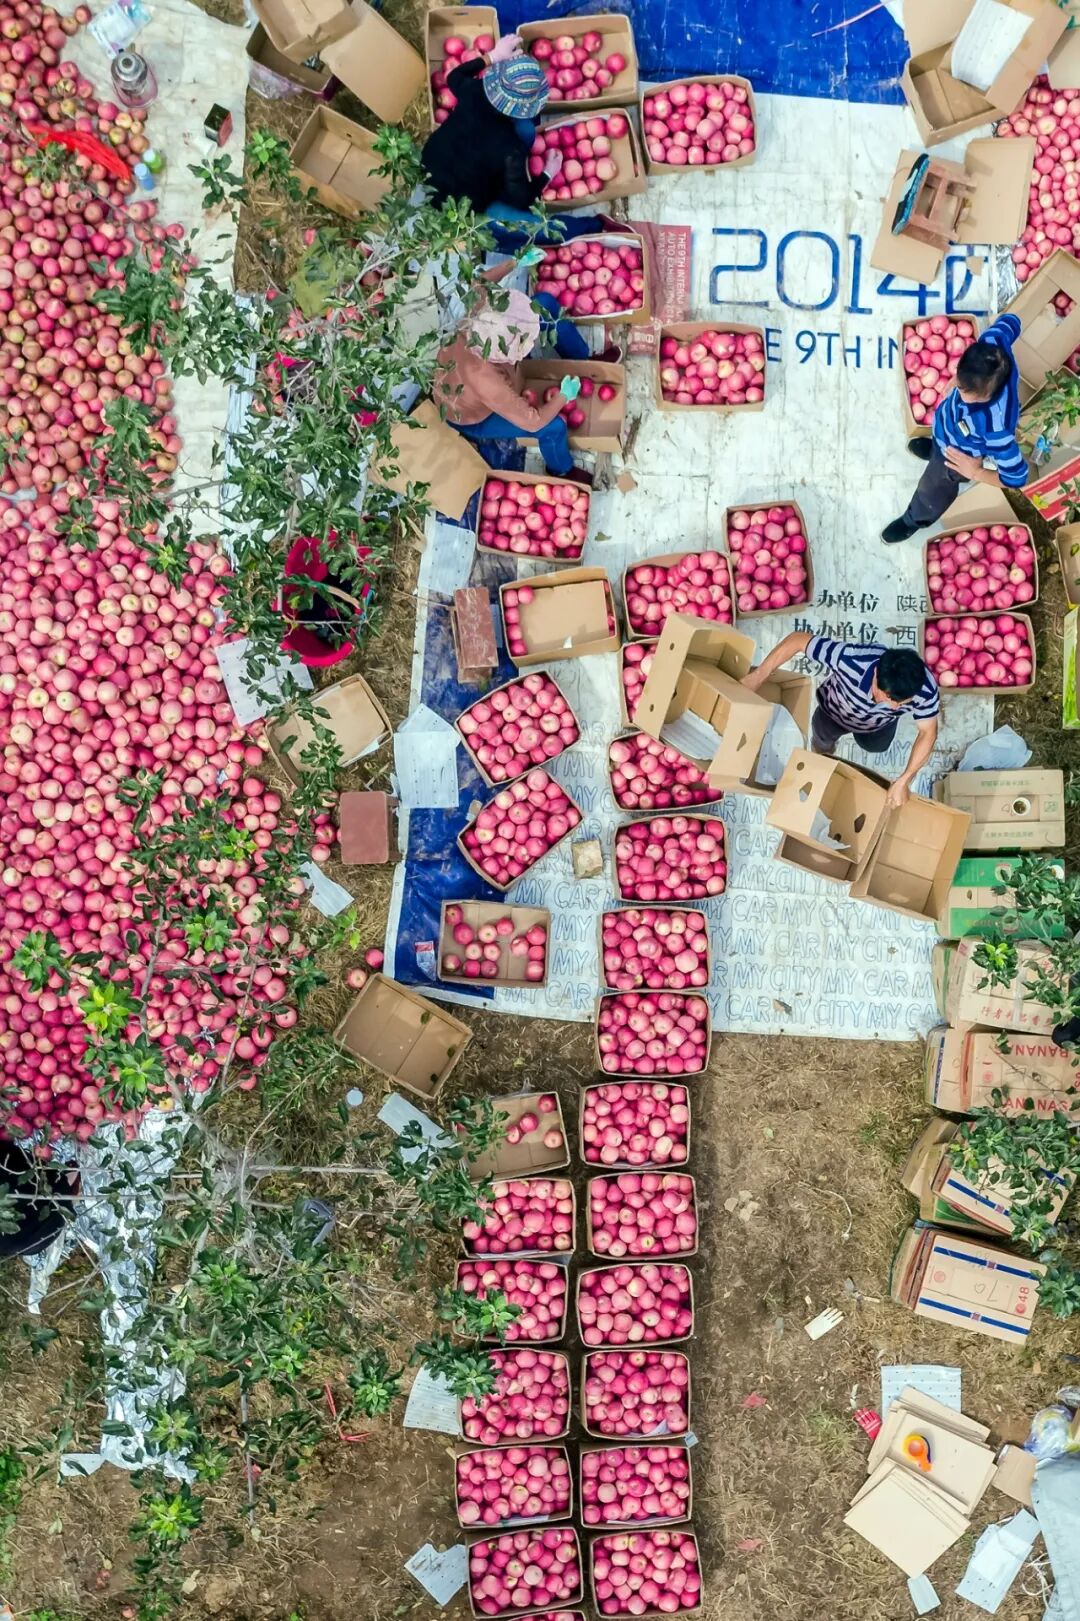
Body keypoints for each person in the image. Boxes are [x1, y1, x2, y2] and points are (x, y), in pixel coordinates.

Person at [421, 33, 615, 251]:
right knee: (536, 227)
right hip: (462, 208)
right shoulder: (509, 148)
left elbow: (454, 76)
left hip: (432, 165)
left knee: (525, 129)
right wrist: (547, 173)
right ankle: (593, 227)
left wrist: (492, 56)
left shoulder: (473, 90)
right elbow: (521, 199)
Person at [435, 256, 609, 482]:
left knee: (543, 303)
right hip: (472, 415)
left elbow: (480, 282)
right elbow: (533, 422)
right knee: (552, 427)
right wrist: (564, 396)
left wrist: (515, 262)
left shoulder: (479, 316)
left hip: (471, 378)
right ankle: (561, 468)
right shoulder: (486, 380)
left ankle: (582, 359)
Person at [741, 630, 939, 810]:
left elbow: (928, 732)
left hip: (878, 725)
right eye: (888, 698)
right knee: (822, 743)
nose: (894, 707)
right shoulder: (851, 659)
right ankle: (823, 756)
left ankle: (863, 739)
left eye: (902, 703)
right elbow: (798, 640)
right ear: (876, 674)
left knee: (876, 746)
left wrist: (905, 779)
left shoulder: (925, 689)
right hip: (833, 712)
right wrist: (758, 676)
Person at [881, 313, 1028, 545]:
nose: (957, 388)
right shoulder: (992, 343)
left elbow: (1016, 478)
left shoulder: (996, 429)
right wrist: (959, 380)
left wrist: (975, 472)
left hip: (956, 458)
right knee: (941, 436)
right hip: (947, 429)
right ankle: (934, 448)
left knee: (933, 489)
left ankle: (914, 519)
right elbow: (1012, 320)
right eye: (959, 379)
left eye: (964, 391)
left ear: (986, 396)